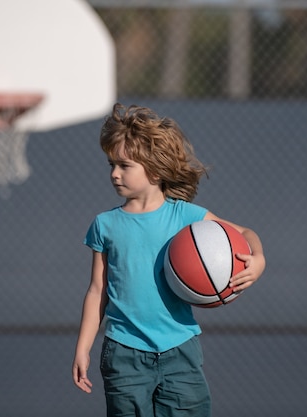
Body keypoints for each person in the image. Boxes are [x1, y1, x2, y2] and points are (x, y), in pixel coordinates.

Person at [72, 103, 265, 417]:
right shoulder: (105, 225)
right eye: (111, 164)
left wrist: (258, 260)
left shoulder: (185, 216)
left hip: (180, 351)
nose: (114, 174)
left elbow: (245, 232)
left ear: (155, 170)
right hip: (124, 354)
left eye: (124, 165)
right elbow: (97, 291)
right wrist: (83, 348)